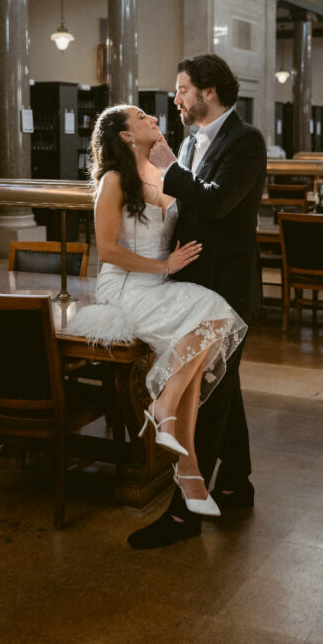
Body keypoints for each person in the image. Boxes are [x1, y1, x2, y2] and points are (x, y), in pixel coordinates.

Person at [128, 53, 267, 549]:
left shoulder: (246, 140)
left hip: (228, 290)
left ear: (209, 92)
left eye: (183, 88)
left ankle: (185, 515)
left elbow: (216, 202)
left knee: (203, 397)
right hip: (198, 288)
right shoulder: (190, 140)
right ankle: (235, 485)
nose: (177, 98)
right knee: (223, 386)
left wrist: (168, 166)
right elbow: (186, 206)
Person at [89, 103, 247, 518]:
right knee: (213, 313)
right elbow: (106, 249)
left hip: (160, 283)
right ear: (125, 136)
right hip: (125, 285)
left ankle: (188, 470)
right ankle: (179, 448)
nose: (153, 120)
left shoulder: (162, 174)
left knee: (193, 361)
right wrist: (163, 266)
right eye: (141, 118)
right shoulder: (113, 180)